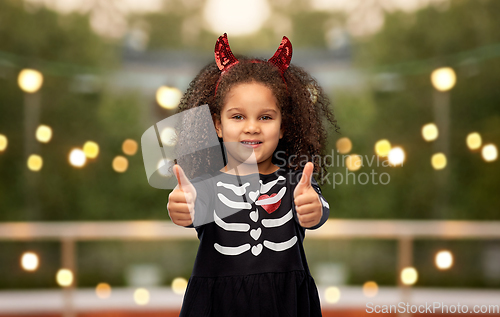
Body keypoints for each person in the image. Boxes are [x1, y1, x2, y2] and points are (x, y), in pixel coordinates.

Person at [167, 33, 340, 317]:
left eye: (265, 117)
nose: (251, 128)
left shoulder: (297, 183)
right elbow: (187, 208)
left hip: (286, 304)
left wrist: (314, 210)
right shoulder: (204, 187)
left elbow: (318, 210)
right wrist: (178, 207)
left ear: (283, 126)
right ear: (217, 125)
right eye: (237, 117)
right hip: (217, 307)